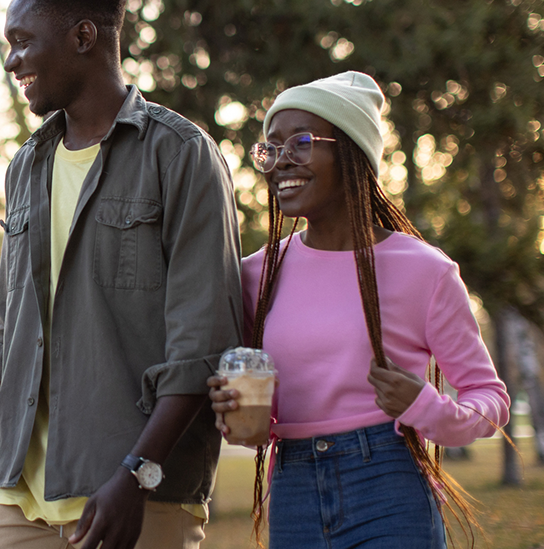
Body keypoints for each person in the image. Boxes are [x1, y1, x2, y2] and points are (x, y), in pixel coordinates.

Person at [0, 0, 244, 549]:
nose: (12, 60)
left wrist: (137, 475)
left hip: (133, 499)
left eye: (22, 41)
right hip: (16, 504)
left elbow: (202, 344)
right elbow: (15, 343)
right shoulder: (25, 167)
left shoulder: (180, 155)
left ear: (83, 36)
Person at [208, 71, 511, 548]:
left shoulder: (425, 271)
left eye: (300, 143)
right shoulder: (255, 275)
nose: (280, 161)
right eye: (271, 147)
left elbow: (489, 399)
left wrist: (426, 407)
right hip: (293, 492)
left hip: (389, 486)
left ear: (352, 153)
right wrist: (239, 416)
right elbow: (255, 412)